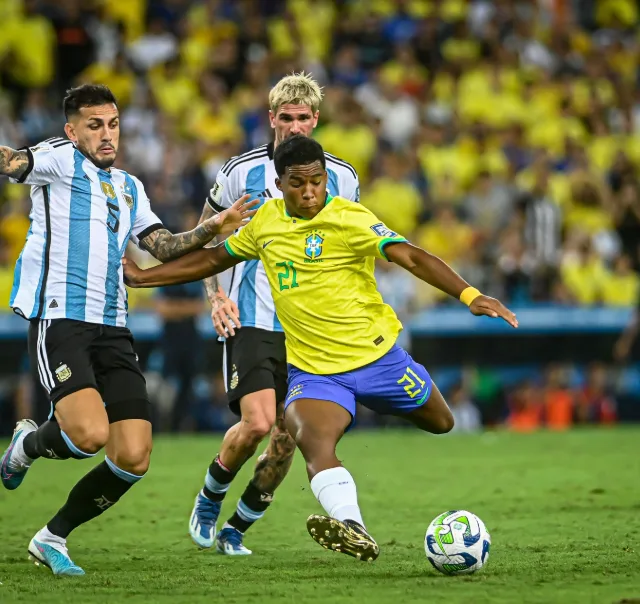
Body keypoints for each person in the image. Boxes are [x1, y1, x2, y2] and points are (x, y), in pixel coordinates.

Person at [123, 135, 518, 562]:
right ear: (280, 183)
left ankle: (366, 420)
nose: (309, 191)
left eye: (317, 181)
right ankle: (354, 527)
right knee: (311, 441)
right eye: (298, 183)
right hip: (314, 373)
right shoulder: (265, 223)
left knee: (442, 422)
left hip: (379, 359)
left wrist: (469, 295)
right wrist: (145, 277)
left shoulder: (350, 218)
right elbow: (212, 260)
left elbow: (411, 257)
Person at [0, 84, 256, 576]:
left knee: (134, 456)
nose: (107, 134)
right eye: (94, 125)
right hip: (62, 319)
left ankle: (51, 536)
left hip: (113, 326)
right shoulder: (56, 159)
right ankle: (26, 446)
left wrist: (214, 226)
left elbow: (160, 246)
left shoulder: (130, 186)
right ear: (72, 131)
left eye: (113, 123)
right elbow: (12, 161)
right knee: (88, 435)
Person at [190, 72, 360, 555]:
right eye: (285, 118)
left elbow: (351, 242)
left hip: (311, 329)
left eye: (303, 118)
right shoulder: (242, 171)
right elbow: (206, 231)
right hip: (253, 317)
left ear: (316, 120)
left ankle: (237, 527)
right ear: (271, 120)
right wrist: (214, 295)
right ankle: (211, 494)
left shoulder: (343, 177)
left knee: (289, 438)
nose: (294, 127)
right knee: (260, 422)